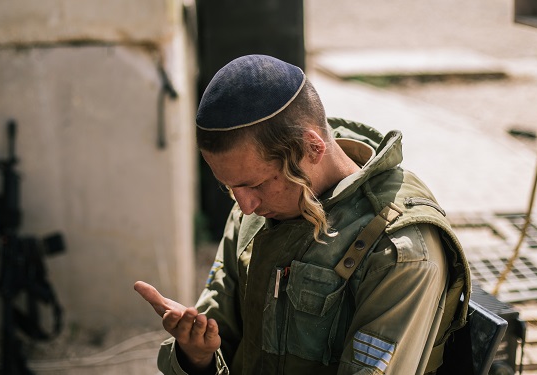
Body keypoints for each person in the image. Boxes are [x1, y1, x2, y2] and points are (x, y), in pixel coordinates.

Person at [135, 54, 470, 375]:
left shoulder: (399, 249)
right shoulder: (253, 213)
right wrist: (196, 355)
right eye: (231, 187)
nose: (245, 205)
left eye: (257, 184)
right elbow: (222, 333)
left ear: (312, 147)